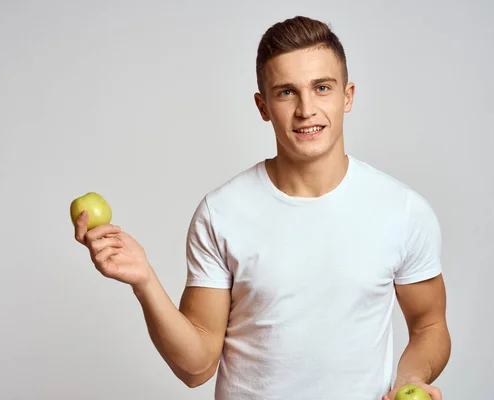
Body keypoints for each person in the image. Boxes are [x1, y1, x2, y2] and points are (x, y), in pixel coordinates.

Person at [73, 15, 451, 400]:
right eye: (286, 92)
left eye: (322, 88)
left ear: (347, 96)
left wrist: (411, 378)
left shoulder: (401, 210)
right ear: (263, 105)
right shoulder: (221, 213)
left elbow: (429, 326)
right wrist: (144, 282)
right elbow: (196, 367)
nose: (306, 109)